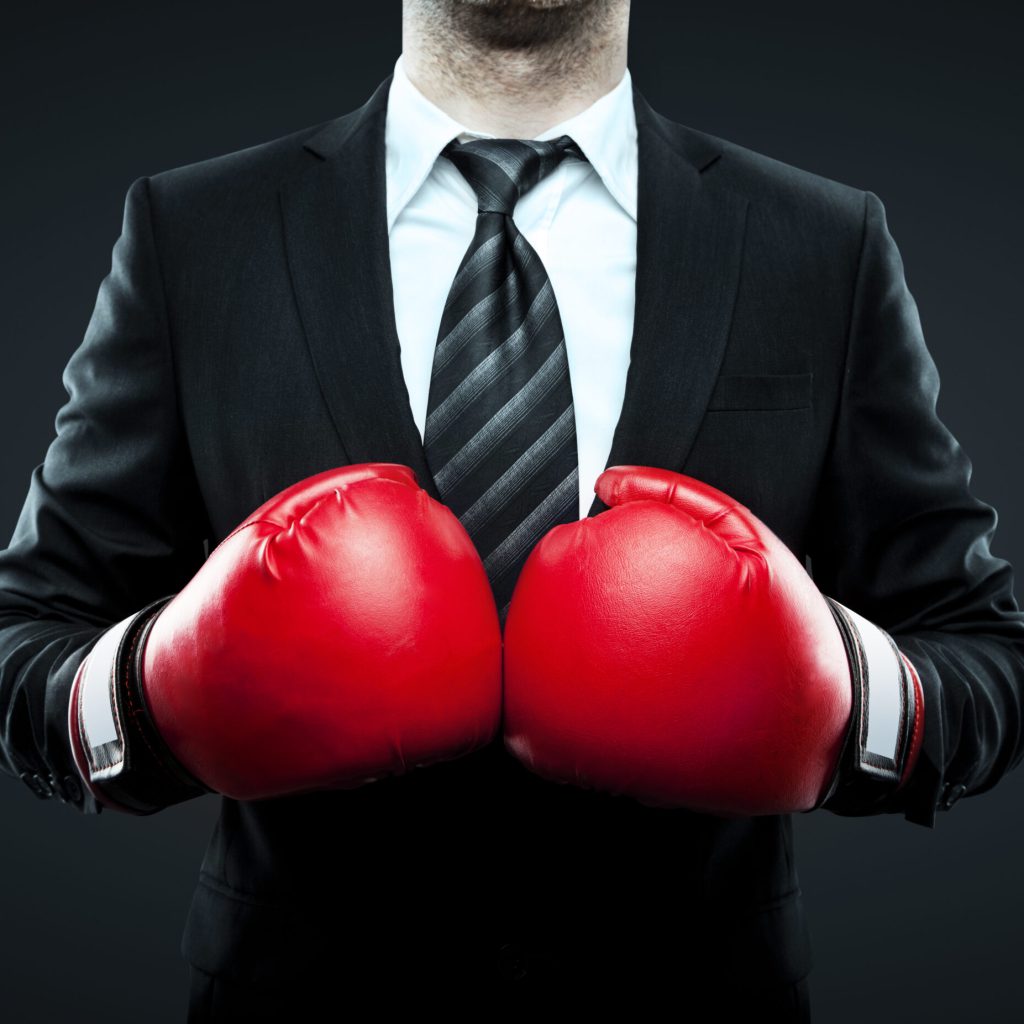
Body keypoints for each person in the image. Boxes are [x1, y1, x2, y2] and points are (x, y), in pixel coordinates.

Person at [1, 0, 1022, 1019]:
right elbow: (26, 631)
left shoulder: (819, 243)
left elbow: (981, 649)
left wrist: (842, 695)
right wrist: (154, 686)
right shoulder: (196, 233)